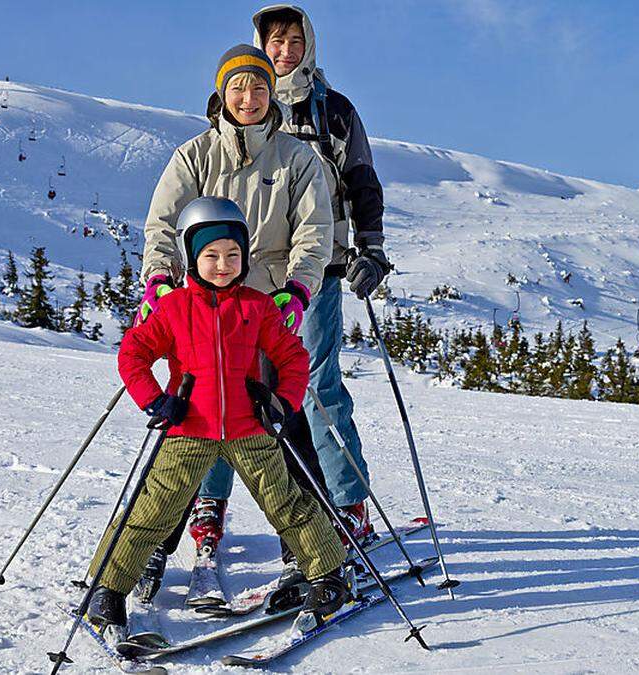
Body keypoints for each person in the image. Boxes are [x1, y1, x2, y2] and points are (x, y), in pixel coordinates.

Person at [86, 196, 347, 629]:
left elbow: (293, 358)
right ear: (192, 257)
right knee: (152, 511)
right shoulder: (173, 309)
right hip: (189, 428)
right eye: (211, 255)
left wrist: (283, 402)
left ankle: (328, 573)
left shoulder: (257, 306)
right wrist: (155, 400)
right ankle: (107, 588)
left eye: (232, 255)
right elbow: (132, 353)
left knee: (288, 503)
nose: (222, 264)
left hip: (249, 427)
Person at [133, 44, 335, 596]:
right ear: (222, 93)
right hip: (199, 311)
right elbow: (162, 225)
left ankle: (310, 545)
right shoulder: (194, 156)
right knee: (185, 425)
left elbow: (315, 233)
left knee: (284, 421)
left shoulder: (298, 158)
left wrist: (297, 290)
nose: (250, 98)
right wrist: (158, 280)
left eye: (260, 87)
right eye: (239, 88)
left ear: (274, 94)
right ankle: (151, 545)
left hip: (266, 306)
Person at [252, 3, 390, 545]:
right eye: (275, 41)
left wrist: (371, 249)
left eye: (293, 40)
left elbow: (361, 181)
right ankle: (223, 512)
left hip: (318, 269)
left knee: (314, 385)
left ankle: (347, 505)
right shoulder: (245, 104)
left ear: (309, 43)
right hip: (251, 273)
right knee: (242, 390)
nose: (284, 51)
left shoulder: (333, 111)